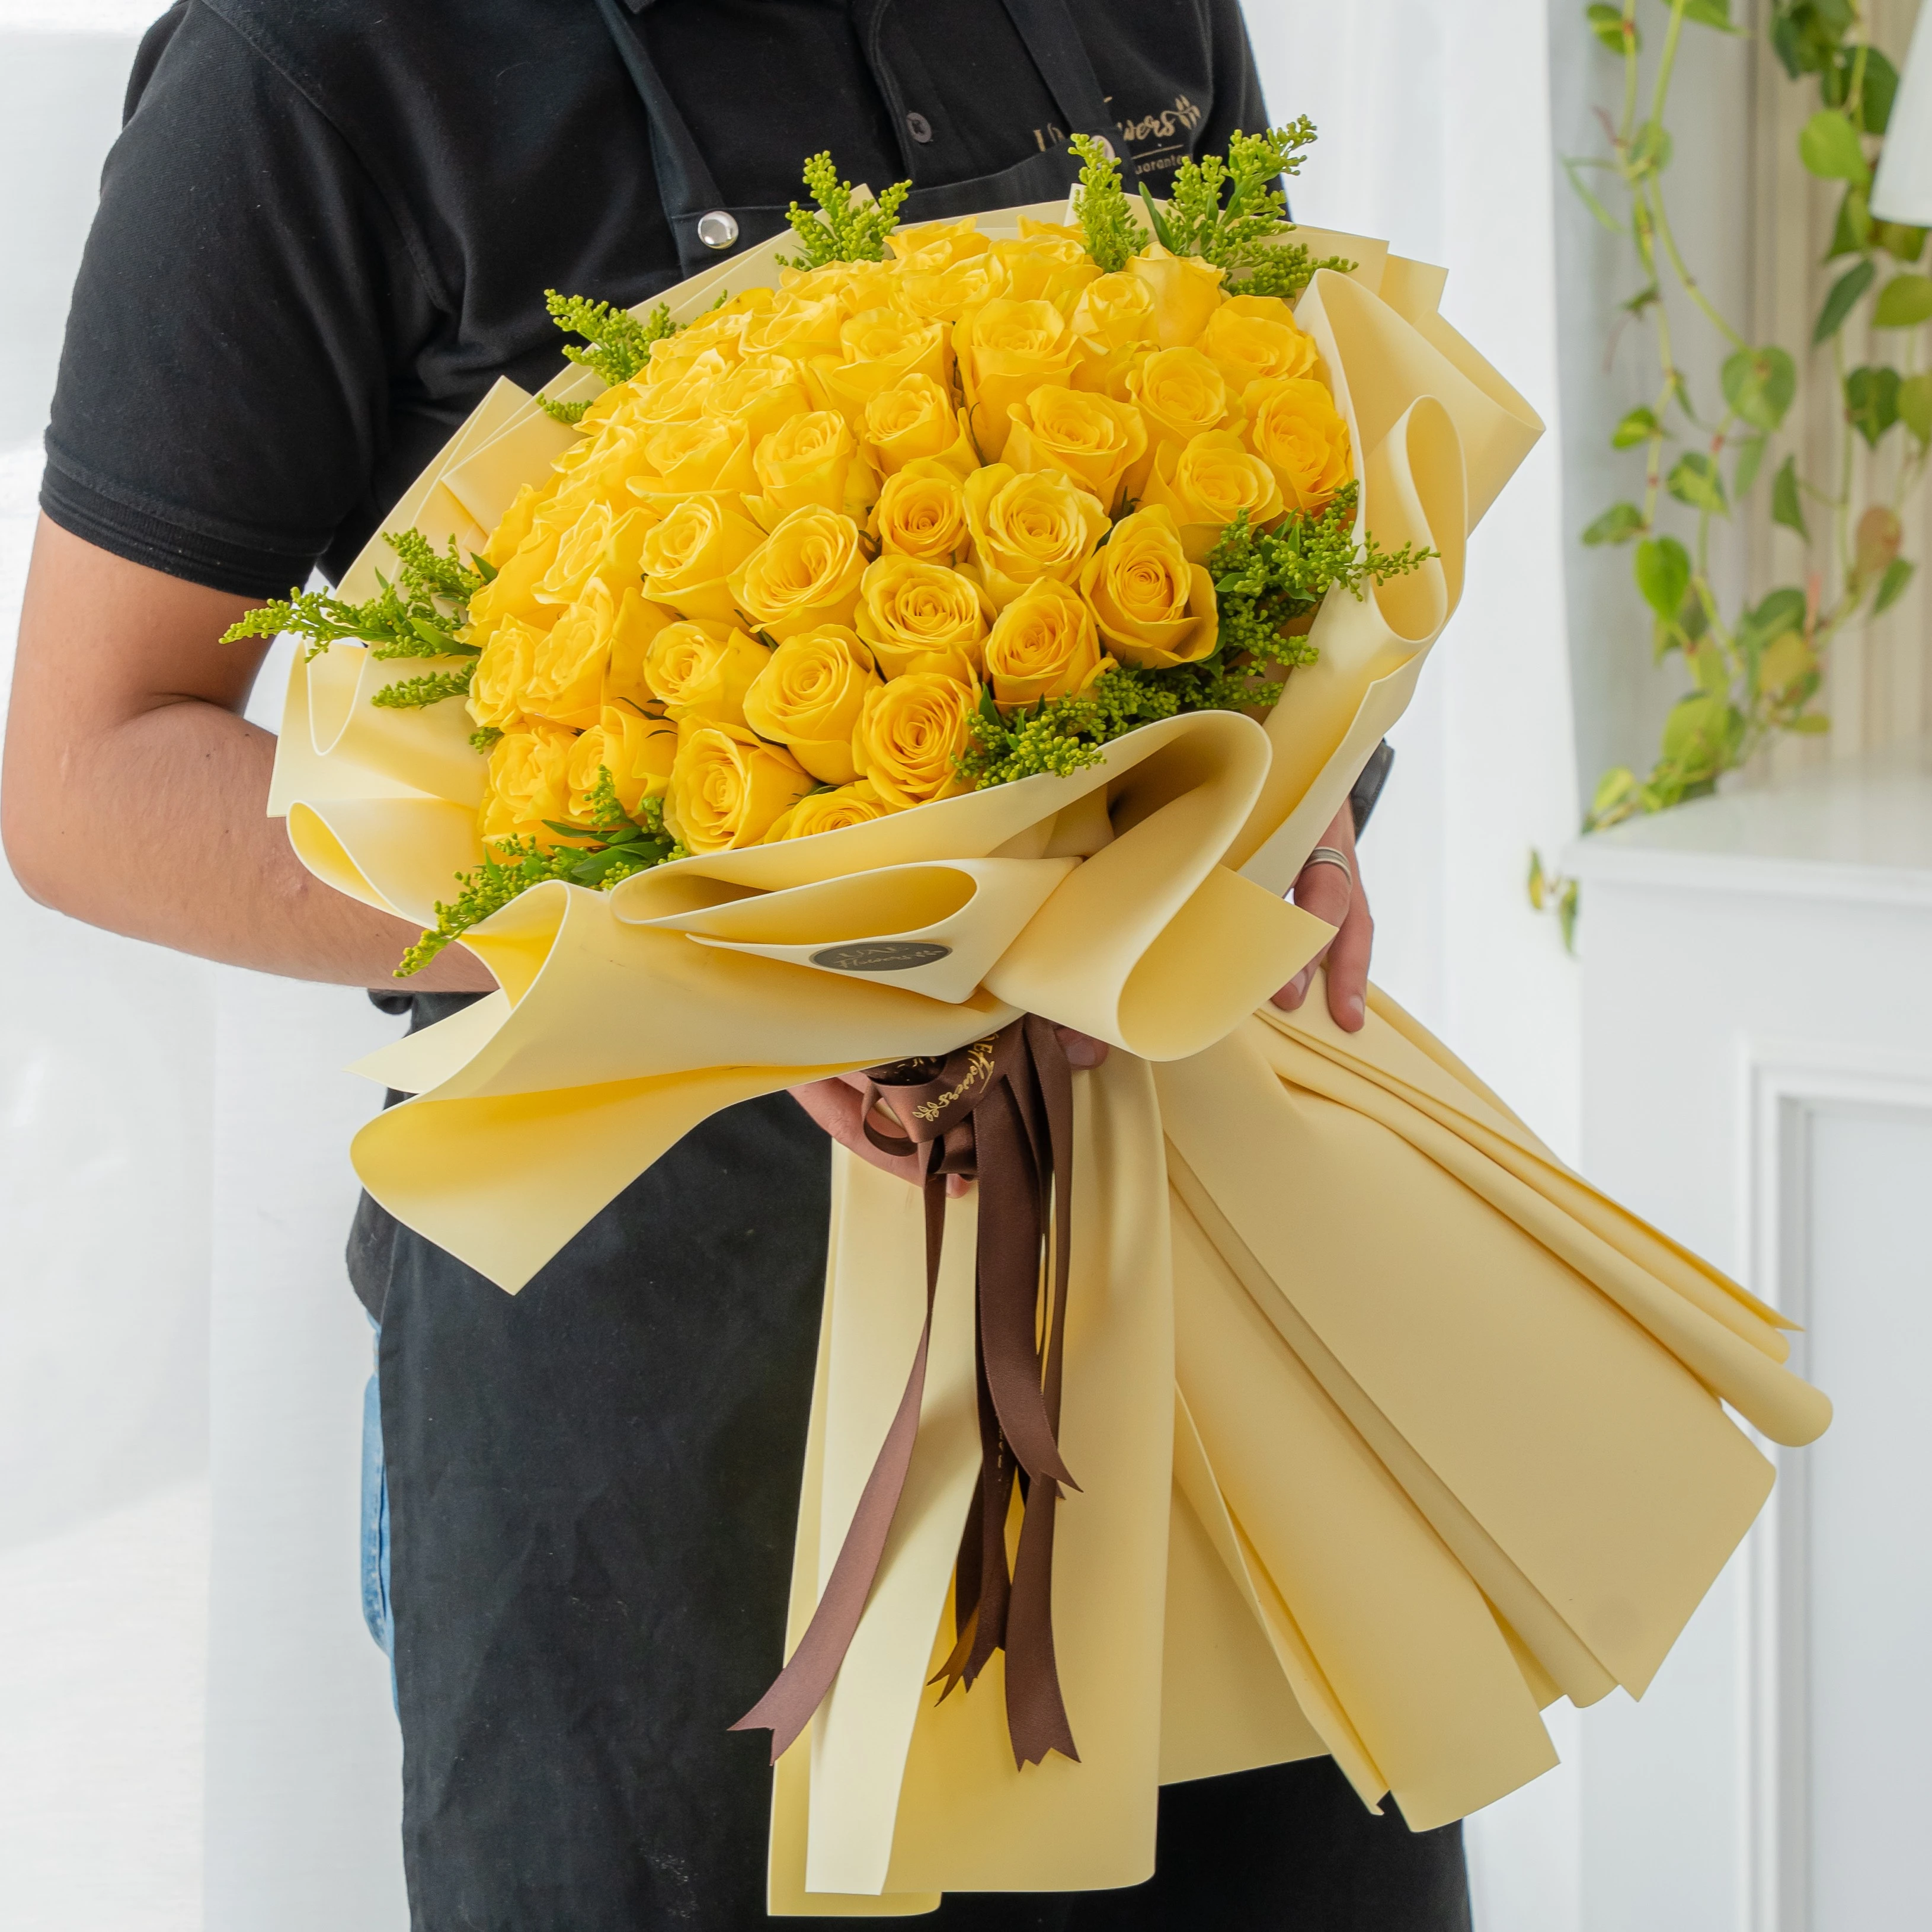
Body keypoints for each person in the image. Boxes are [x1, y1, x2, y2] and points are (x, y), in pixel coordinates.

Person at [0, 3, 1453, 1927]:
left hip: (1185, 1290)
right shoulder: (314, 63)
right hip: (647, 1405)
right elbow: (88, 770)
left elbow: (1293, 500)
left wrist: (1292, 804)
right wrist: (718, 956)